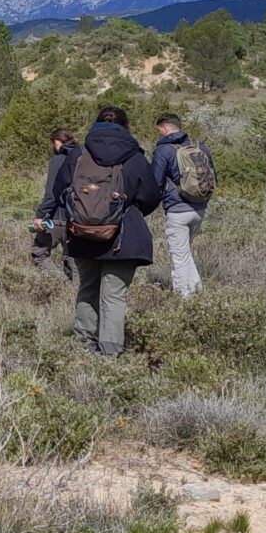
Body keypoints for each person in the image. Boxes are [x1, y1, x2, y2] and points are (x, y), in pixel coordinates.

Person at [60, 106, 159, 355]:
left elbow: (59, 191)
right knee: (114, 297)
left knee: (87, 288)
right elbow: (150, 195)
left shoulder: (78, 154)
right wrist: (122, 213)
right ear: (126, 128)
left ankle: (83, 346)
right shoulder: (134, 157)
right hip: (125, 238)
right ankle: (111, 353)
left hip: (82, 234)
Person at [150, 113, 217, 297]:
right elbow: (213, 178)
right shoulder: (199, 146)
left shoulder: (163, 150)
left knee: (179, 257)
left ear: (163, 128)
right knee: (185, 252)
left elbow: (155, 182)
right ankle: (196, 292)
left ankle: (183, 301)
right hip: (199, 208)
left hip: (177, 210)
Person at [30, 128, 78, 276]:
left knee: (39, 253)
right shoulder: (82, 157)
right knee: (73, 261)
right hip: (78, 218)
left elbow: (51, 192)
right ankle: (76, 294)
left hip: (56, 217)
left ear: (56, 142)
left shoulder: (58, 160)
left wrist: (41, 213)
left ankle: (57, 282)